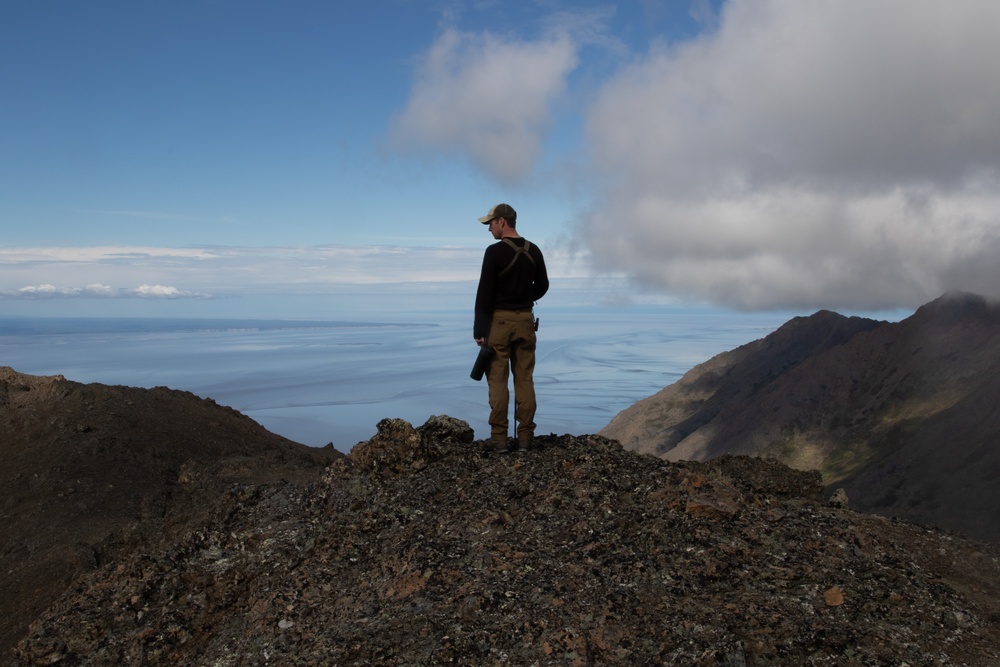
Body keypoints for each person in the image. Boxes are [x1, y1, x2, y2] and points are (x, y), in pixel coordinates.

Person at [474, 203, 549, 453]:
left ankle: (500, 440)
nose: (489, 229)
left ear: (503, 222)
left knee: (497, 380)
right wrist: (525, 297)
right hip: (526, 321)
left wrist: (479, 330)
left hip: (500, 323)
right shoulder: (534, 250)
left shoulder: (494, 252)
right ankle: (526, 439)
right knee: (524, 378)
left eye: (491, 223)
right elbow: (543, 286)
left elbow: (484, 292)